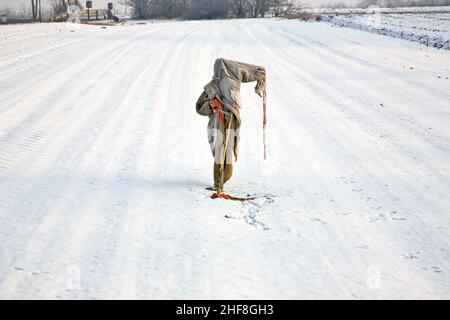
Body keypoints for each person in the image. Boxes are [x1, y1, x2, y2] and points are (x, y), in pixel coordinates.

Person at [196, 58, 266, 194]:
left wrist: (261, 74)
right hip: (217, 122)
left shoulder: (234, 75)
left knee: (227, 150)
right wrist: (210, 106)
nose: (221, 71)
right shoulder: (212, 87)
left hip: (232, 120)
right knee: (219, 150)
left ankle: (221, 182)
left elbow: (252, 71)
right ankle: (218, 184)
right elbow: (199, 108)